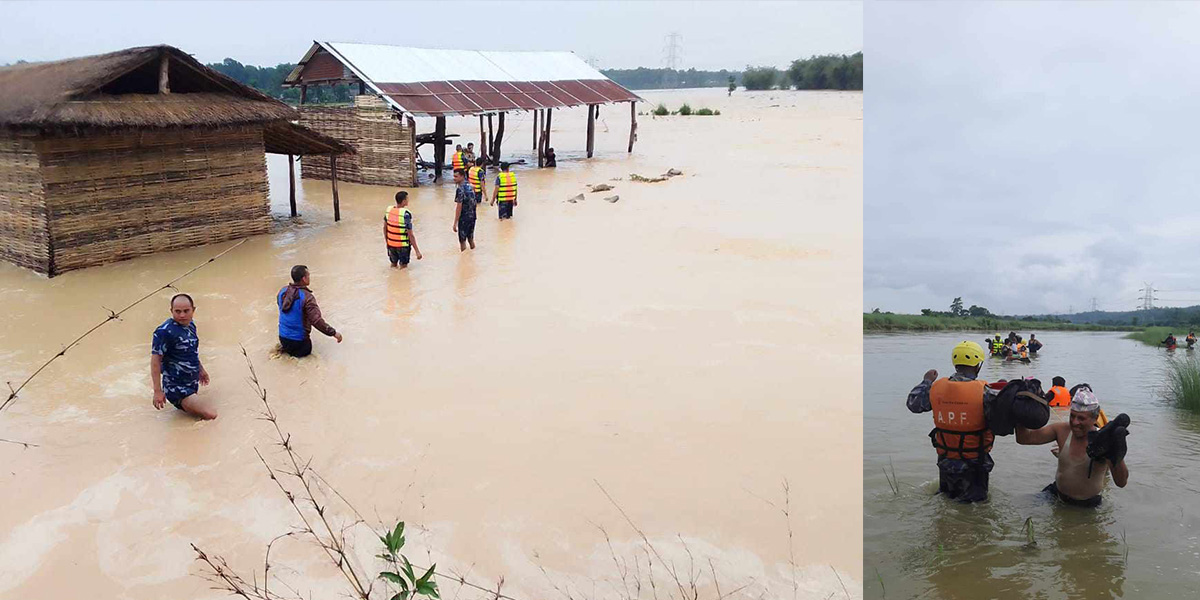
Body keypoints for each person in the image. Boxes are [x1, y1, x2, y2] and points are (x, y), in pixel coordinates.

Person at [906, 341, 999, 503]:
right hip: (976, 463)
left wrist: (926, 381)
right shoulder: (986, 392)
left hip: (946, 462)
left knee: (946, 500)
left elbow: (913, 405)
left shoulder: (936, 388)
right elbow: (1002, 423)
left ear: (955, 364)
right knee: (975, 507)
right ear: (978, 366)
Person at [1016, 389, 1129, 507]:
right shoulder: (1061, 430)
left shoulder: (1103, 442)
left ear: (1095, 419)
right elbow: (1024, 439)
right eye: (1072, 416)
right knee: (1020, 505)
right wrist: (1021, 411)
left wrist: (1117, 453)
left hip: (1087, 506)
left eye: (1081, 418)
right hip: (1056, 494)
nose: (1075, 422)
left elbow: (1121, 482)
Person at [151, 293, 216, 419]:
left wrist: (201, 370)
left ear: (193, 310)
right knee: (212, 414)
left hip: (191, 383)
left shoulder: (191, 325)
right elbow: (155, 362)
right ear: (171, 311)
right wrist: (157, 391)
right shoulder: (164, 332)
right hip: (176, 388)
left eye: (186, 311)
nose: (182, 315)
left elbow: (191, 351)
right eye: (178, 311)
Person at [277, 265, 343, 357]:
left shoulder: (282, 292)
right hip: (300, 344)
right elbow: (316, 321)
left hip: (283, 339)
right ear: (304, 278)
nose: (309, 278)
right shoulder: (307, 297)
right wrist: (334, 333)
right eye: (308, 275)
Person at [384, 191, 422, 268]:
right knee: (403, 268)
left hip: (391, 244)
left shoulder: (389, 210)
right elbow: (410, 234)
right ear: (404, 201)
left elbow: (385, 228)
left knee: (393, 265)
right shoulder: (406, 215)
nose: (408, 200)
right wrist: (417, 251)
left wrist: (387, 242)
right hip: (402, 246)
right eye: (407, 199)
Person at [452, 168, 477, 251]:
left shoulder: (460, 189)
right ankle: (472, 256)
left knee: (462, 241)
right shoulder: (471, 186)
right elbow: (474, 203)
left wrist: (455, 222)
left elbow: (459, 206)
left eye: (456, 176)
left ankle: (464, 260)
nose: (454, 178)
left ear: (462, 176)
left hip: (464, 218)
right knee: (470, 239)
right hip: (472, 216)